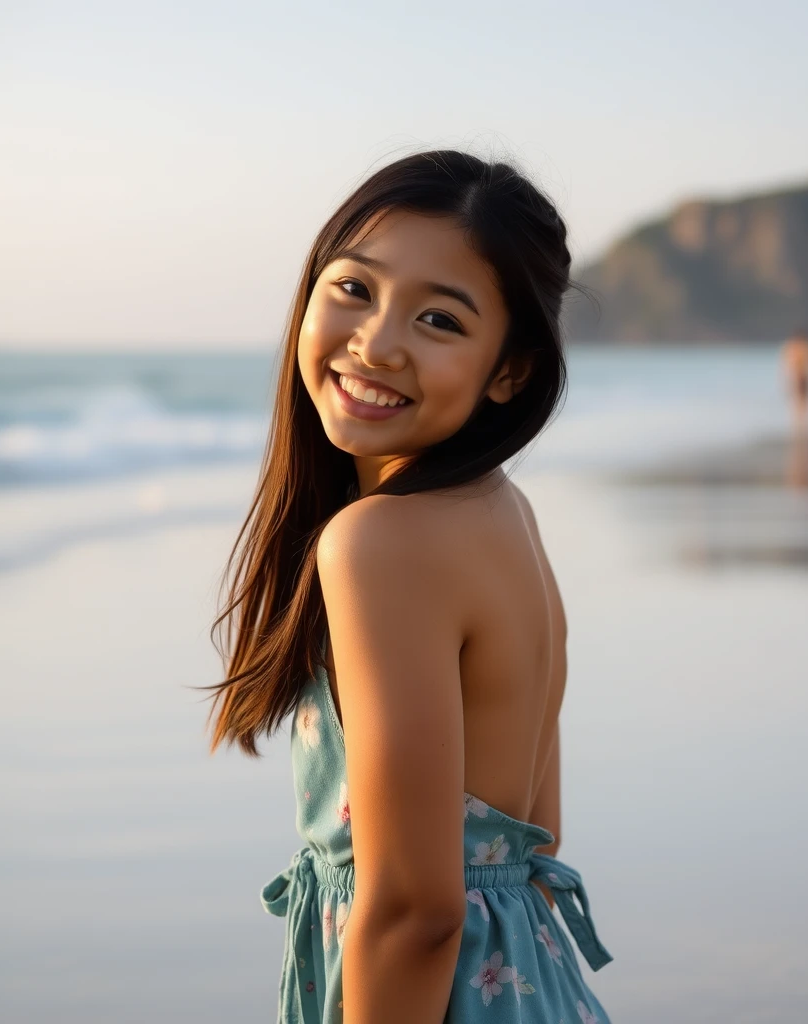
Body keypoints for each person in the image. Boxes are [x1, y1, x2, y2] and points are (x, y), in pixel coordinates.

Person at [201, 150, 613, 1023]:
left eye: (438, 319)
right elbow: (536, 831)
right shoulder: (501, 515)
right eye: (354, 288)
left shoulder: (380, 544)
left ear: (511, 372)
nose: (376, 343)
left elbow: (417, 911)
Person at [781, 328, 808, 427]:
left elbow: (787, 364)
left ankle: (801, 425)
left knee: (800, 404)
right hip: (800, 376)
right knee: (801, 404)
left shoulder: (794, 347)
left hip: (800, 376)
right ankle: (801, 425)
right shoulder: (804, 347)